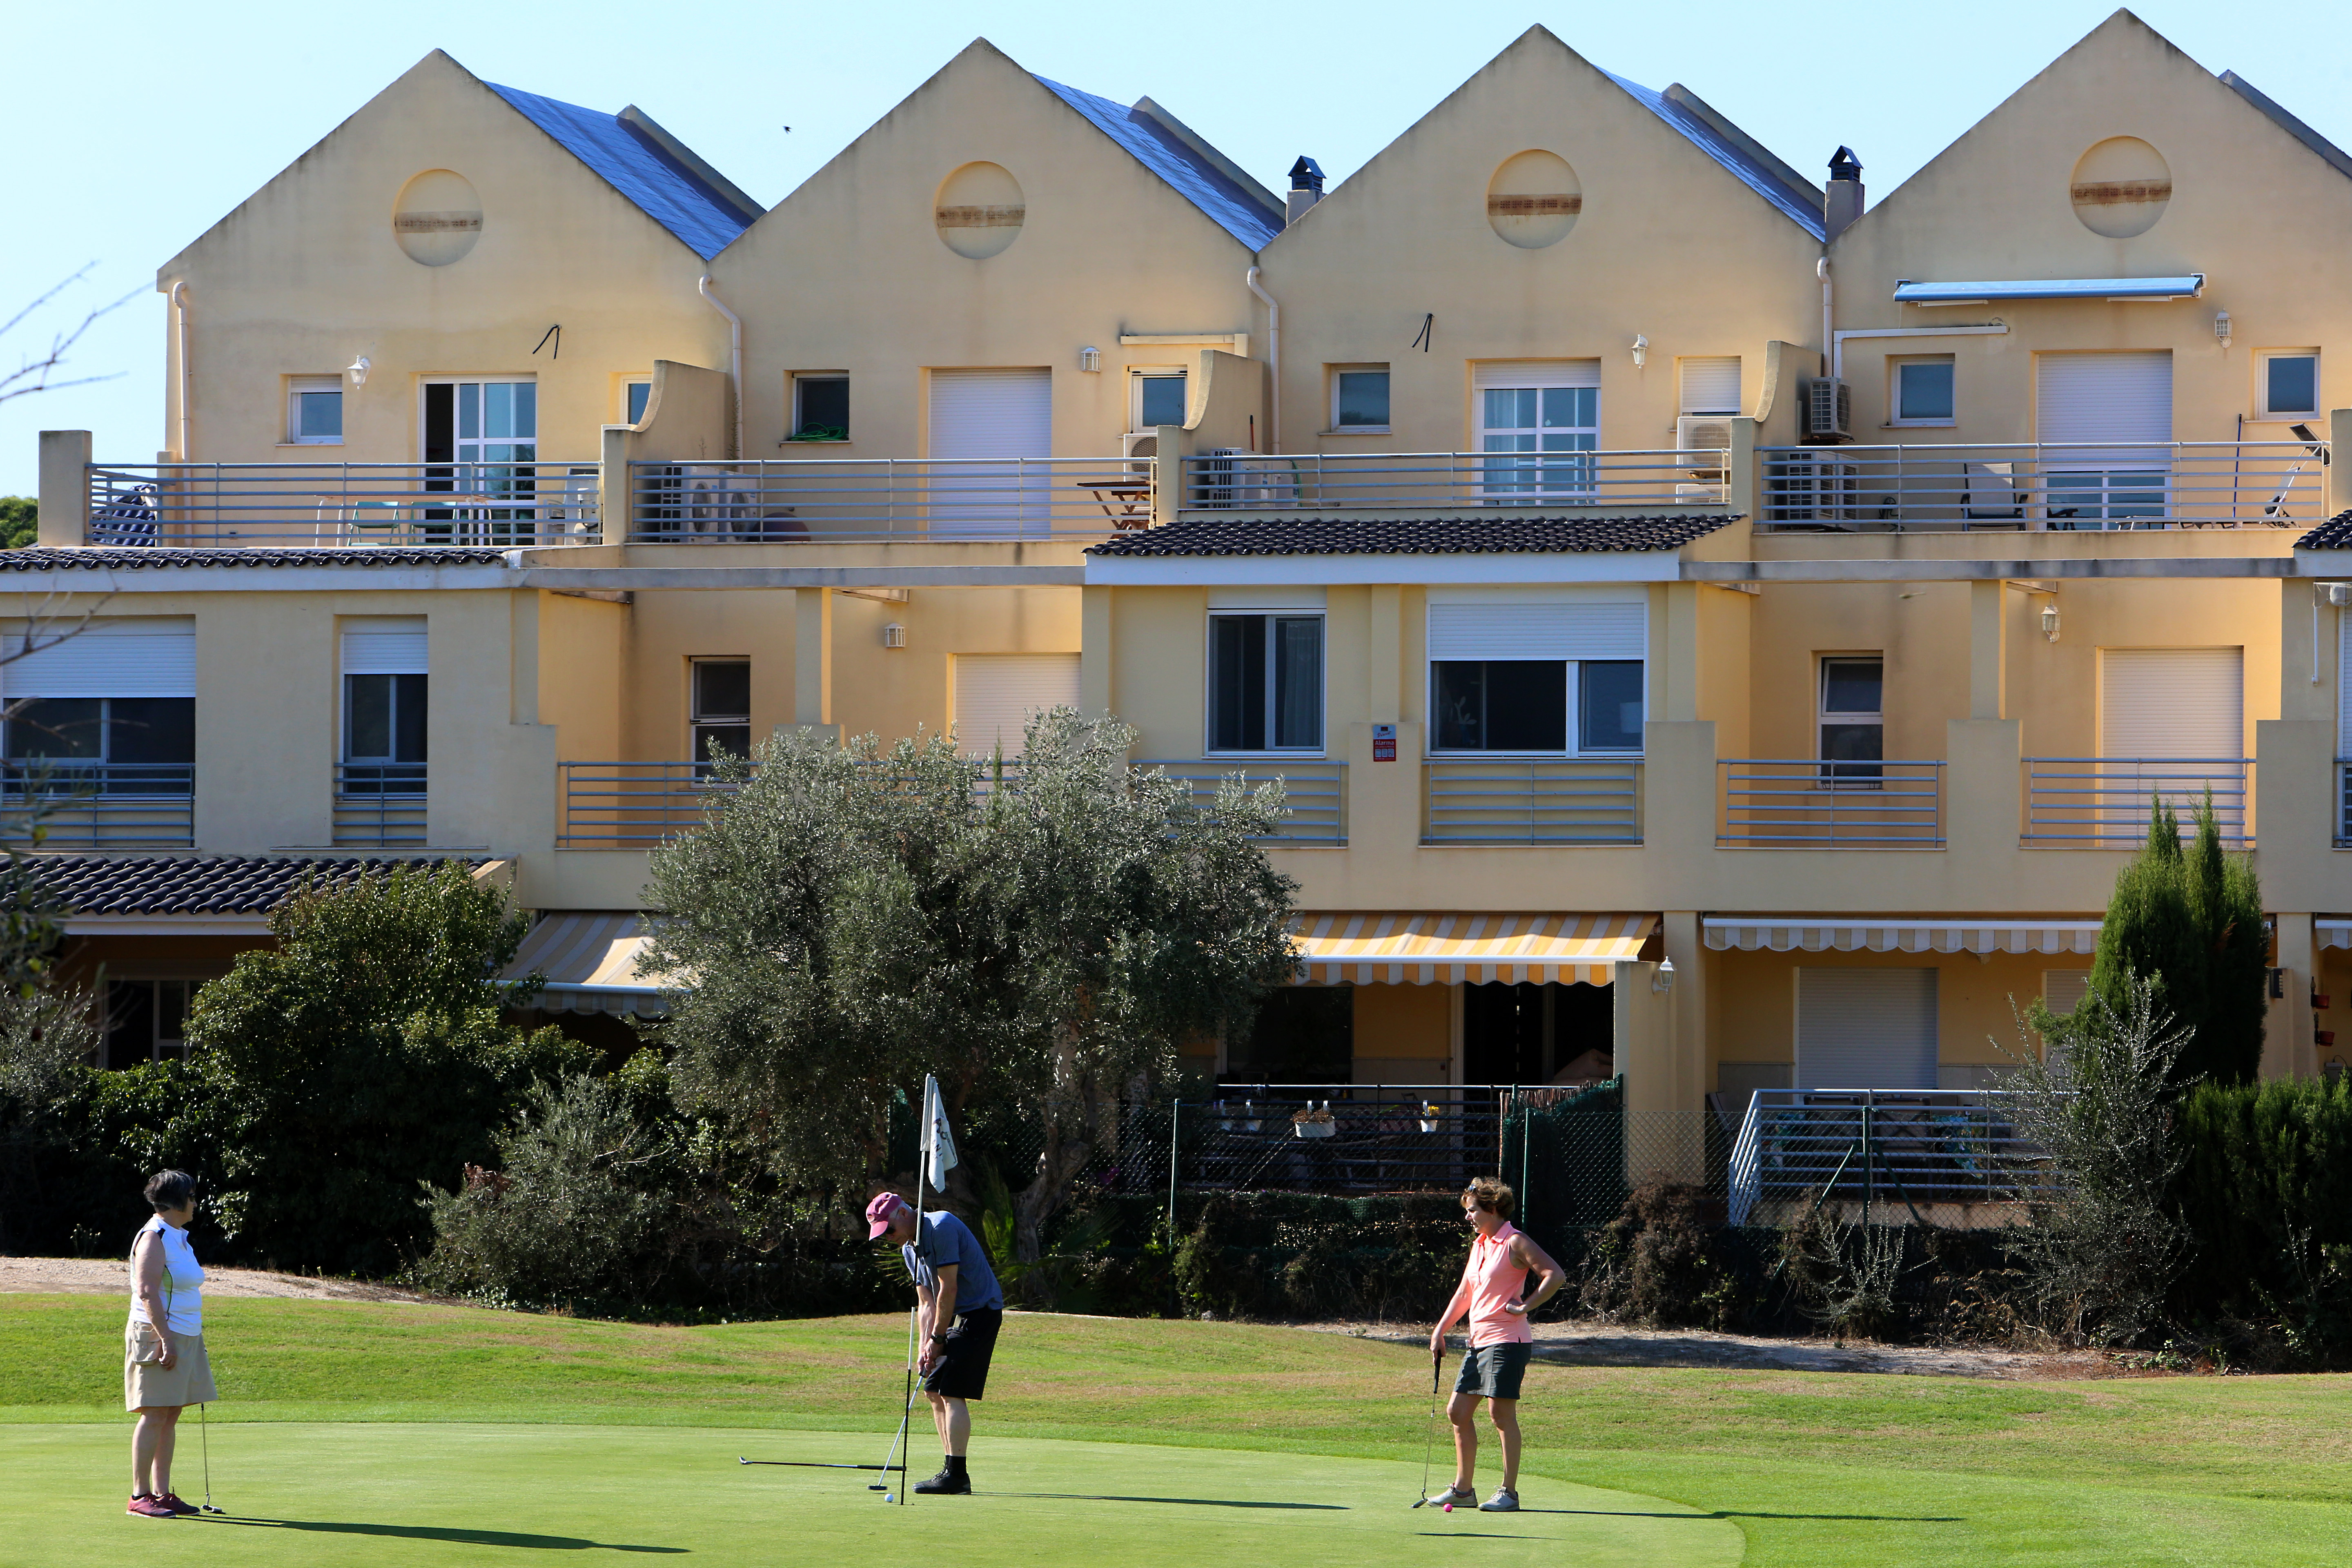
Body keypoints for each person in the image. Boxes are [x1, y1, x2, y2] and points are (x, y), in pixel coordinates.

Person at [1425, 1176, 1564, 1513]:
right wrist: (1440, 1330)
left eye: (1473, 1211)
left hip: (1508, 1341)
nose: (1468, 1217)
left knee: (1500, 1414)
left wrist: (1525, 1306)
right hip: (1479, 1341)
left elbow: (1554, 1275)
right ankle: (1463, 1490)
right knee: (1457, 1411)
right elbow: (1465, 1294)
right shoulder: (1480, 1245)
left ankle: (1509, 1493)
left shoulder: (1515, 1242)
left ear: (1493, 1209)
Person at [866, 1190, 1003, 1496]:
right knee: (932, 1389)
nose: (887, 1237)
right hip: (954, 1317)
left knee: (952, 1391)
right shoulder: (909, 1250)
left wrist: (938, 1339)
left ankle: (957, 1475)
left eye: (888, 1229)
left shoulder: (941, 1227)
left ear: (903, 1214)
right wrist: (924, 1350)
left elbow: (948, 1289)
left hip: (980, 1312)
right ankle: (950, 1470)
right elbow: (926, 1302)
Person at [123, 1169, 218, 1519]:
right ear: (177, 1201)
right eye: (191, 1196)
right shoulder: (154, 1236)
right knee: (155, 1413)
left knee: (171, 1413)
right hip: (158, 1335)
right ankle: (140, 1495)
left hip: (185, 1334)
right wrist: (166, 1339)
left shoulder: (179, 1236)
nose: (195, 1202)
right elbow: (147, 1291)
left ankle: (162, 1493)